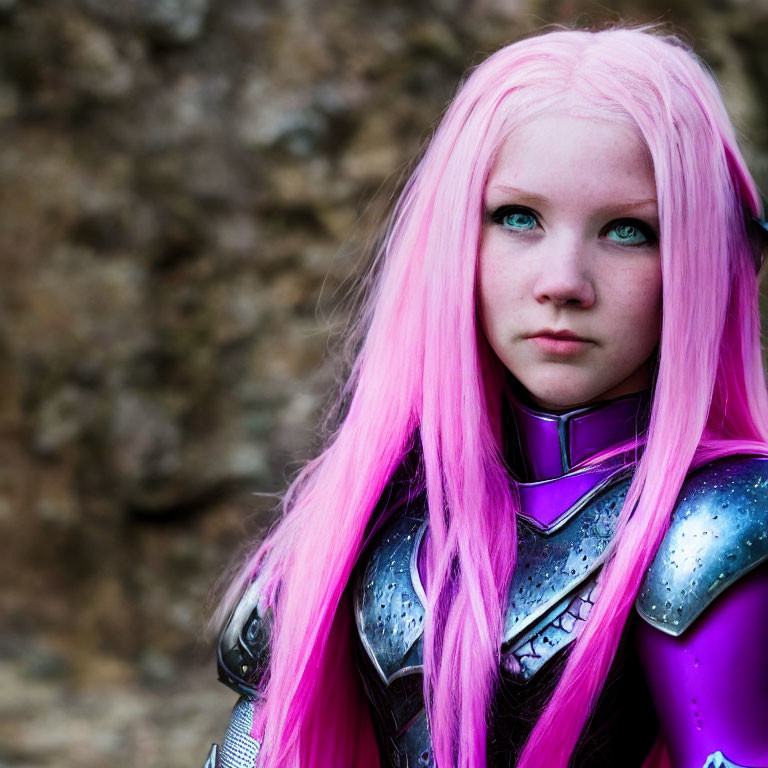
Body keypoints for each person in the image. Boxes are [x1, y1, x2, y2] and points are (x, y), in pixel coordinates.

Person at [202, 23, 768, 768]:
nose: (563, 281)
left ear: (705, 259)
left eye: (629, 230)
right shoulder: (360, 520)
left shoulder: (716, 526)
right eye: (518, 218)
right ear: (453, 240)